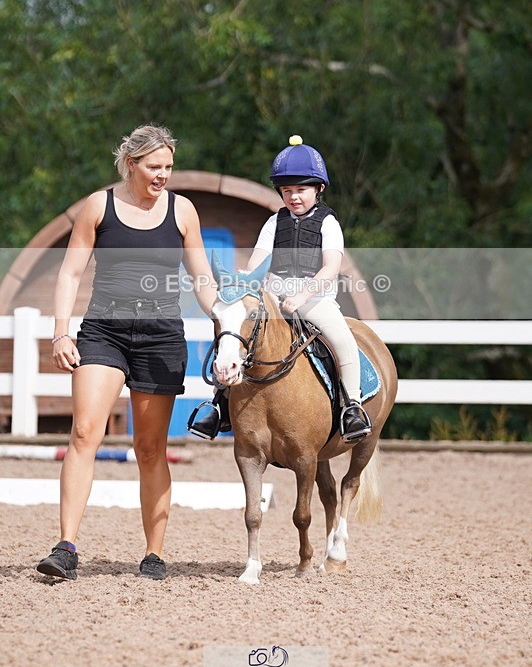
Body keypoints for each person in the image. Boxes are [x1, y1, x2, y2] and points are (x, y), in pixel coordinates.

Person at [37, 124, 216, 581]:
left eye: (169, 168)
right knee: (84, 433)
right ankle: (66, 547)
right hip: (104, 330)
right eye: (155, 167)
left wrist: (225, 322)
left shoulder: (183, 211)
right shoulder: (99, 206)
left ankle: (153, 554)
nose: (163, 176)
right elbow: (70, 274)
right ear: (131, 163)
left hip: (160, 334)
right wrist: (61, 333)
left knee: (149, 447)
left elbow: (201, 279)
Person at [189, 135, 371, 442]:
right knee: (234, 332)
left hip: (315, 298)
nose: (294, 197)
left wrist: (301, 295)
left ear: (319, 189)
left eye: (301, 190)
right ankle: (219, 404)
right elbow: (257, 264)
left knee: (342, 339)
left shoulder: (328, 224)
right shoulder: (274, 223)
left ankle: (351, 407)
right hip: (275, 295)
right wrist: (243, 282)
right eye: (288, 191)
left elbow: (330, 269)